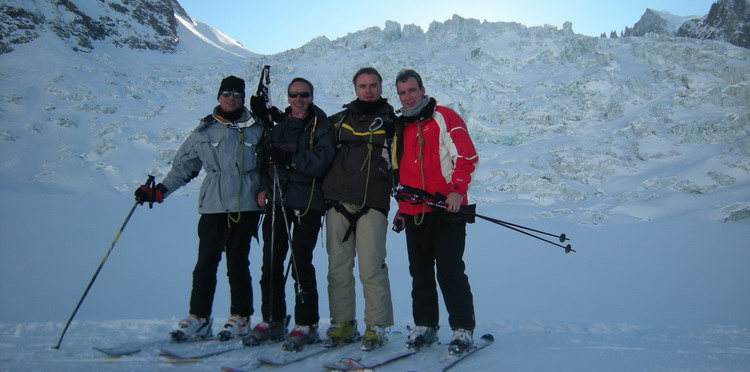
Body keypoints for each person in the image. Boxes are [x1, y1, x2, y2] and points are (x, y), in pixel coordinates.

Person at [134, 75, 266, 342]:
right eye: (226, 93)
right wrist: (159, 191)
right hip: (213, 205)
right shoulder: (203, 132)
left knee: (238, 263)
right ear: (218, 97)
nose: (231, 98)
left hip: (246, 205)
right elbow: (183, 168)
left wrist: (265, 190)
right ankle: (199, 318)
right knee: (205, 263)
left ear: (242, 98)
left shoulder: (258, 129)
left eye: (236, 94)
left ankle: (240, 317)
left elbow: (268, 167)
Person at [392, 69, 479, 355]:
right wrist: (402, 209)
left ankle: (463, 329)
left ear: (422, 89)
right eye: (402, 92)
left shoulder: (443, 117)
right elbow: (400, 172)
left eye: (411, 90)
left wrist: (457, 190)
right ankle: (425, 324)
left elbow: (466, 157)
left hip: (447, 208)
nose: (407, 97)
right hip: (415, 211)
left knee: (450, 270)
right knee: (419, 271)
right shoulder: (400, 126)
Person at [245, 78, 335, 350]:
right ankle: (273, 319)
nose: (299, 99)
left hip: (308, 202)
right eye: (294, 95)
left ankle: (306, 323)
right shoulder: (279, 127)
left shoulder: (322, 125)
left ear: (311, 96)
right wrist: (262, 188)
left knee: (300, 263)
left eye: (304, 95)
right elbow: (265, 161)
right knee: (270, 262)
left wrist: (291, 158)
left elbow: (324, 159)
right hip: (277, 199)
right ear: (288, 97)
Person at [321, 67, 396, 351]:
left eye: (373, 85)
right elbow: (311, 136)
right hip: (338, 203)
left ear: (380, 86)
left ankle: (376, 325)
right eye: (363, 85)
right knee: (338, 269)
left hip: (373, 204)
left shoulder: (393, 123)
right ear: (355, 88)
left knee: (371, 268)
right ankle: (343, 323)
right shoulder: (339, 121)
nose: (368, 90)